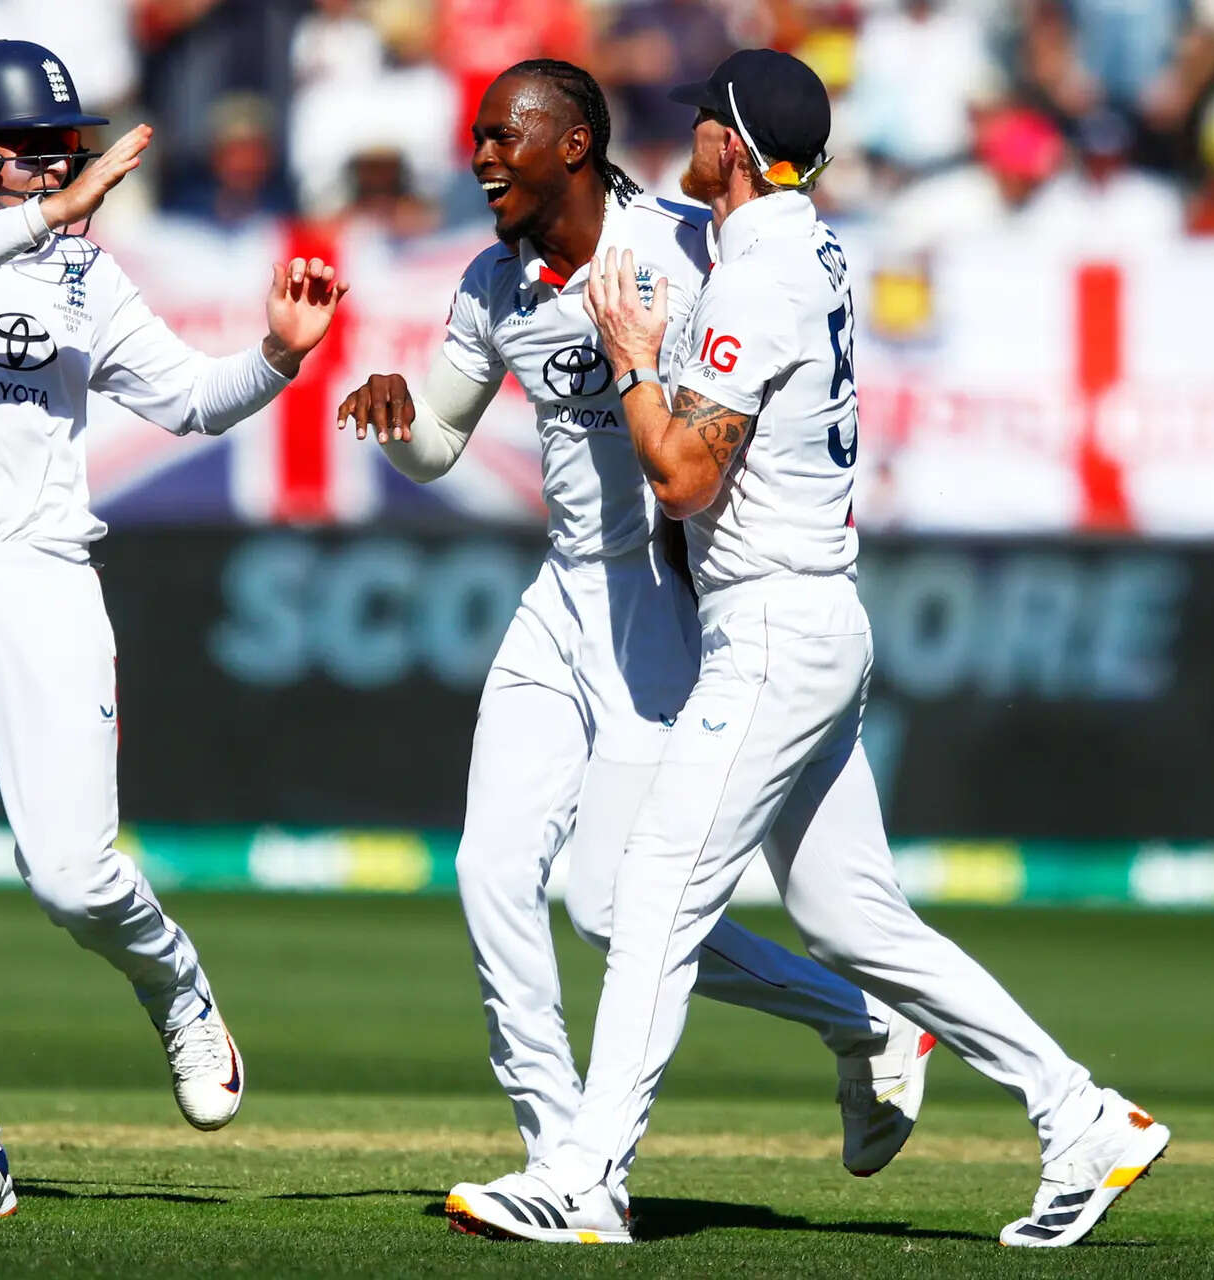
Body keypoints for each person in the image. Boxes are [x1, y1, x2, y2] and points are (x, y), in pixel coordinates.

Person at [445, 50, 1168, 1250]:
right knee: (856, 921)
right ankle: (1080, 1111)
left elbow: (678, 478)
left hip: (770, 626)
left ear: (733, 143)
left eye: (700, 121)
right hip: (809, 616)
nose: (684, 134)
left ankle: (582, 1175)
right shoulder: (795, 242)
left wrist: (628, 355)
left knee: (649, 895)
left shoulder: (760, 268)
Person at [335, 59, 931, 1201]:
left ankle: (860, 1019)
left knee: (612, 908)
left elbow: (765, 376)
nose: (482, 156)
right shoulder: (488, 283)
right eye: (476, 136)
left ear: (572, 145)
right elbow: (440, 444)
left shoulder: (685, 243)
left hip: (665, 607)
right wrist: (400, 421)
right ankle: (559, 1147)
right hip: (561, 593)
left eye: (504, 136)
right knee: (487, 869)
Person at [0, 39, 347, 1218]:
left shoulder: (81, 271)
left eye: (61, 155)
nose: (53, 174)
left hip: (43, 580)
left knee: (69, 876)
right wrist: (46, 215)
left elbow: (183, 398)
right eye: (29, 153)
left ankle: (176, 986)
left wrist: (275, 358)